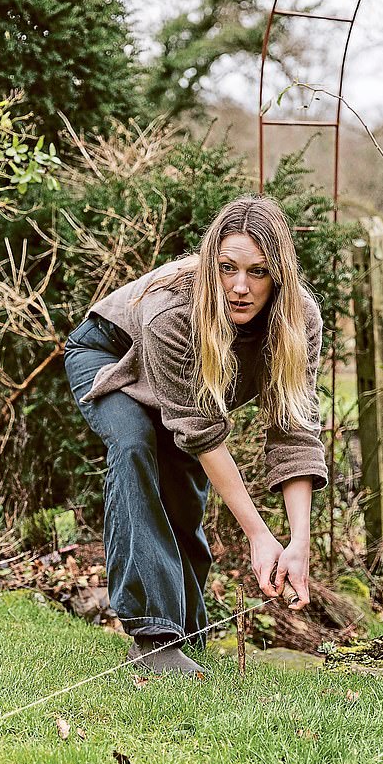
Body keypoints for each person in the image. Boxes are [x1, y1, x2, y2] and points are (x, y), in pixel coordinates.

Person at [64, 195, 327, 675]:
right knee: (134, 446)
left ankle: (185, 632)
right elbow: (202, 432)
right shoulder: (175, 313)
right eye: (227, 268)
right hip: (110, 358)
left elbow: (295, 432)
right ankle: (153, 640)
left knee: (182, 490)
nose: (240, 287)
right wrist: (259, 534)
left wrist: (298, 544)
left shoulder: (299, 322)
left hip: (179, 390)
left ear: (280, 276)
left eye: (258, 272)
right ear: (212, 265)